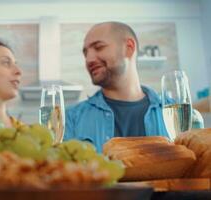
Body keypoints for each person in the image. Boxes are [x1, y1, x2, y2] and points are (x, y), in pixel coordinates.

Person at [64, 22, 169, 152]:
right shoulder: (71, 118)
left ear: (129, 48)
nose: (89, 59)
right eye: (85, 53)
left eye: (99, 47)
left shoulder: (173, 112)